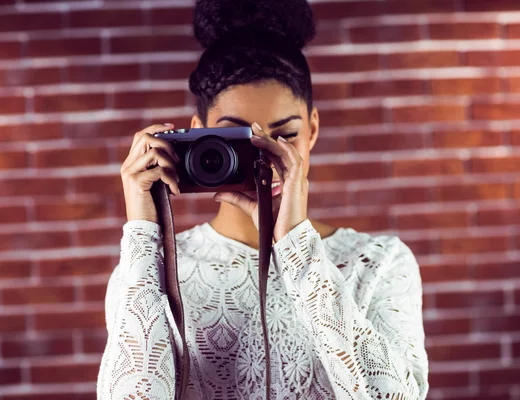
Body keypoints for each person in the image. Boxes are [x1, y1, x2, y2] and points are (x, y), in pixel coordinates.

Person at [96, 0, 429, 398]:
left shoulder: (378, 263)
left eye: (284, 136)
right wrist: (142, 234)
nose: (264, 160)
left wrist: (297, 247)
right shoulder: (150, 271)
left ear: (313, 130)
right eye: (235, 139)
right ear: (196, 133)